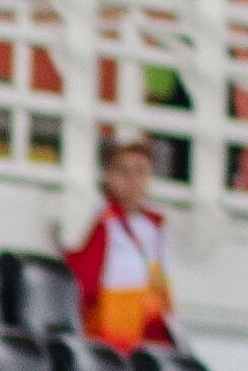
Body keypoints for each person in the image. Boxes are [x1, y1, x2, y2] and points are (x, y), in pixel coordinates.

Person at [66, 138, 176, 348]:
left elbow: (162, 289)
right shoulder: (99, 221)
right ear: (108, 176)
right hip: (109, 336)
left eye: (140, 171)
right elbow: (82, 285)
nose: (132, 179)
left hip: (150, 336)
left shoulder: (157, 227)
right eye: (123, 171)